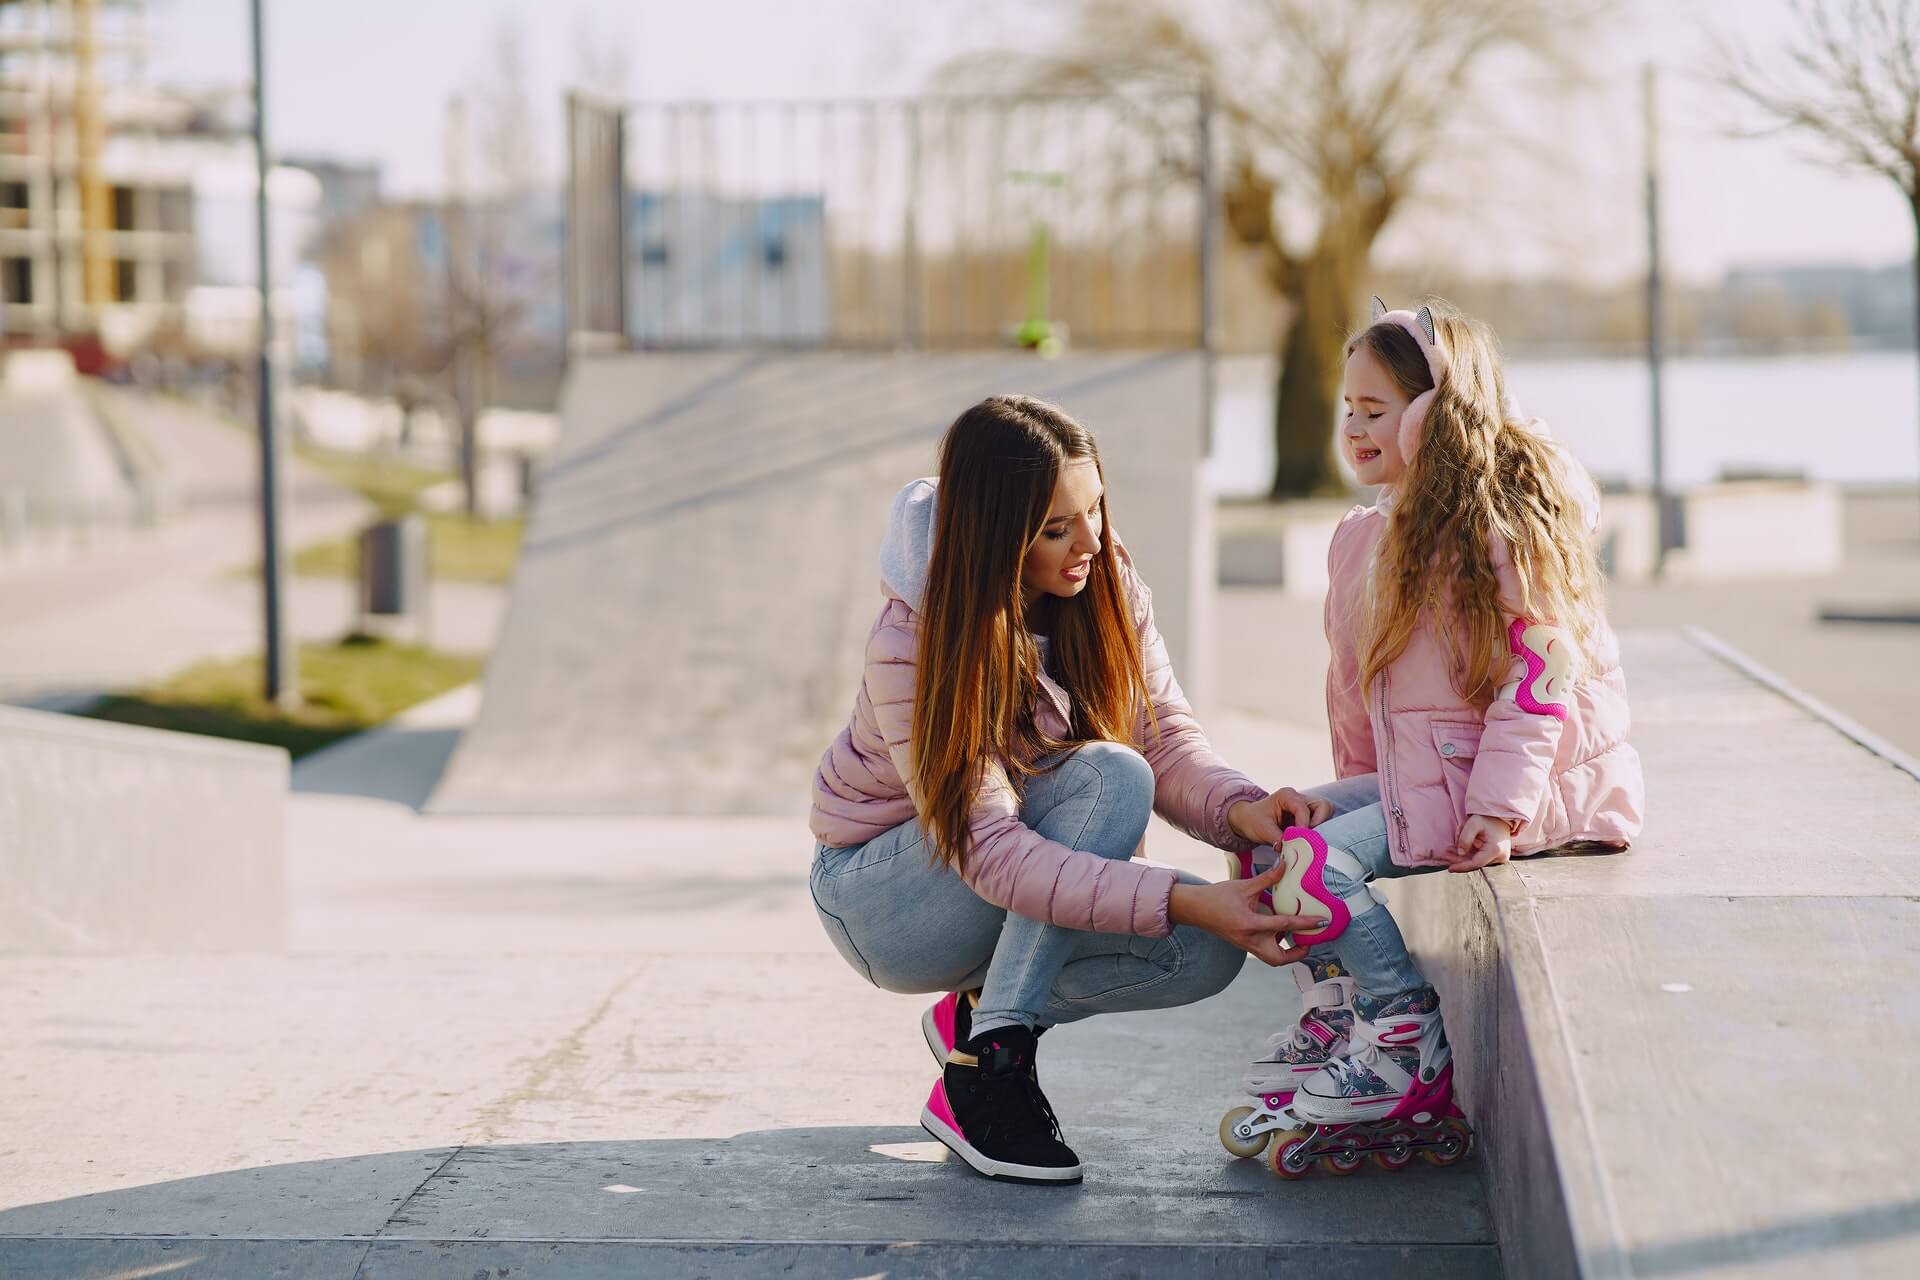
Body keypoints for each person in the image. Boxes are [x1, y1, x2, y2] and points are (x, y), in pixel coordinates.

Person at [809, 394, 1331, 1186]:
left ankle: (974, 1022)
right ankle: (991, 1067)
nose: (1090, 541)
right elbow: (989, 850)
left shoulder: (1105, 581)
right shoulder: (915, 638)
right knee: (1109, 776)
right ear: (997, 534)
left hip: (994, 870)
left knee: (1202, 956)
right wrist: (1185, 894)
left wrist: (1239, 810)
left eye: (1093, 510)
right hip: (886, 897)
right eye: (1057, 528)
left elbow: (1164, 734)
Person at [1241, 299, 1645, 1158]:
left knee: (1319, 865)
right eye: (1347, 408)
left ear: (1433, 413)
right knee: (1274, 839)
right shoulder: (1364, 539)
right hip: (1437, 779)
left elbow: (1546, 679)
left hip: (1527, 789)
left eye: (1375, 410)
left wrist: (1499, 809)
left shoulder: (1508, 523)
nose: (1352, 426)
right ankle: (1342, 1017)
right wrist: (1356, 795)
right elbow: (1356, 693)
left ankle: (1402, 1037)